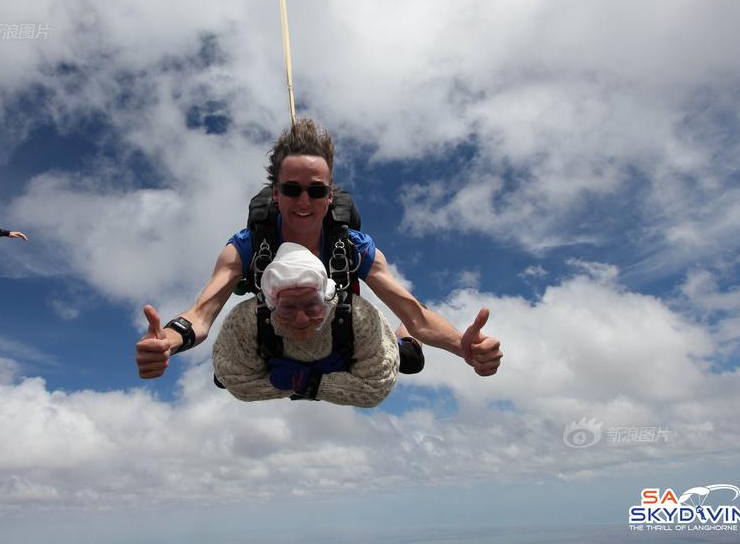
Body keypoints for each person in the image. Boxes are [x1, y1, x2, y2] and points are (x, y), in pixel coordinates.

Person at [136, 118, 502, 384]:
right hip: (283, 328)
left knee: (409, 361)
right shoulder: (248, 245)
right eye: (292, 190)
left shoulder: (352, 248)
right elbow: (203, 314)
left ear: (329, 196)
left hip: (334, 326)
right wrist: (168, 341)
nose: (304, 201)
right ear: (276, 194)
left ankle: (399, 338)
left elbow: (416, 313)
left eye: (315, 190)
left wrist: (462, 347)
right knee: (228, 373)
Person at [213, 242, 399, 407]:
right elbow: (236, 382)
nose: (301, 319)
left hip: (355, 349)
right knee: (221, 377)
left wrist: (308, 382)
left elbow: (376, 387)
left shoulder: (360, 316)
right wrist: (319, 382)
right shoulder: (245, 320)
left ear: (326, 298)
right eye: (288, 307)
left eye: (311, 305)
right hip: (262, 355)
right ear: (271, 305)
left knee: (409, 358)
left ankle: (409, 337)